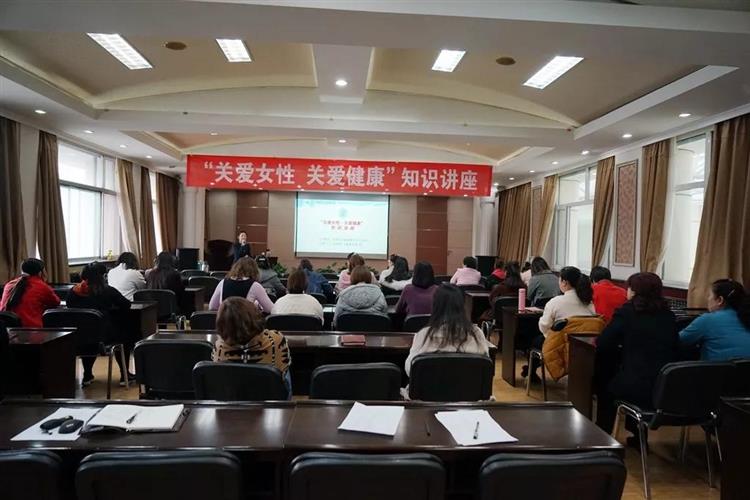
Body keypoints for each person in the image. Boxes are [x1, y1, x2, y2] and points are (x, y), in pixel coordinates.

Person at [594, 272, 678, 438]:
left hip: (636, 385)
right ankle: (637, 434)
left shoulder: (627, 312)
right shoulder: (668, 315)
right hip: (664, 385)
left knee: (604, 382)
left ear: (634, 291)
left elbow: (603, 342)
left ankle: (602, 433)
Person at [523, 266, 596, 382]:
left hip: (560, 346)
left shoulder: (555, 302)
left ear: (564, 282)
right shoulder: (589, 303)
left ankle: (532, 373)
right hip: (584, 347)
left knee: (535, 340)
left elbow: (543, 326)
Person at [66, 262, 132, 387]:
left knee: (88, 339)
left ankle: (87, 375)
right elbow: (126, 305)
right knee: (125, 337)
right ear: (103, 276)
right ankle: (125, 375)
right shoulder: (107, 291)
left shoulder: (73, 292)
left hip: (79, 335)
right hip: (104, 336)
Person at [405, 283, 491, 376]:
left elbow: (410, 369)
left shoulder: (423, 335)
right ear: (462, 306)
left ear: (435, 306)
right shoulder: (477, 333)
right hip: (468, 385)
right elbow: (486, 370)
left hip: (431, 385)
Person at [213, 297, 292, 397]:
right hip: (270, 401)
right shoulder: (276, 340)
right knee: (285, 369)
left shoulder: (219, 347)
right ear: (254, 316)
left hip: (231, 401)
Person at [679, 279, 750, 360]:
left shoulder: (708, 320)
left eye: (709, 295)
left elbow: (676, 340)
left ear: (720, 300)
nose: (708, 299)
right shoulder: (746, 317)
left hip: (717, 368)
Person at [0, 258, 60, 328]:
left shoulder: (9, 284)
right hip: (31, 329)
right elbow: (56, 302)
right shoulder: (42, 286)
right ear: (40, 272)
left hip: (7, 329)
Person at [208, 257, 274, 313]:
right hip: (245, 322)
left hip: (225, 322)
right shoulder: (255, 285)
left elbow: (212, 307)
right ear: (255, 270)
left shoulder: (222, 282)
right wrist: (254, 306)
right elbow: (270, 309)